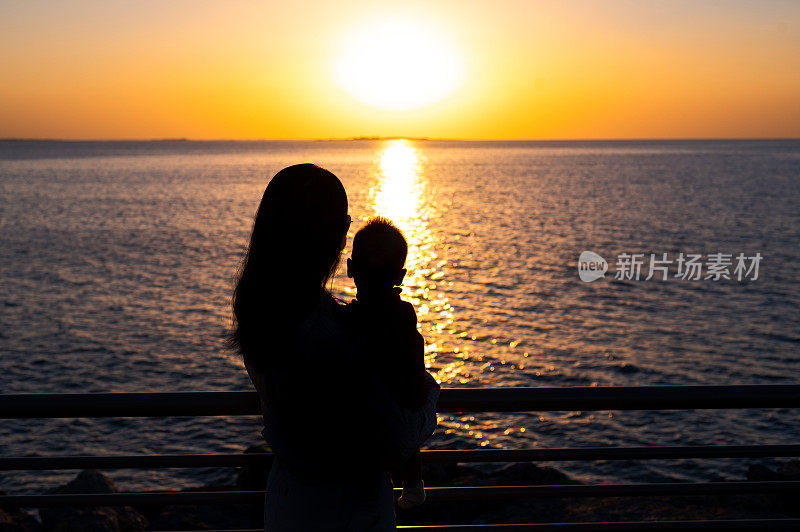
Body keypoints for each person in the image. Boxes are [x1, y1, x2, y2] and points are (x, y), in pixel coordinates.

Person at [230, 164, 439, 531]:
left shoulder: (265, 309)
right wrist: (430, 393)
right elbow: (397, 437)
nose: (345, 237)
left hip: (289, 500)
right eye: (343, 225)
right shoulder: (327, 335)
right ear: (325, 238)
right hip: (343, 509)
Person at [343, 217, 428, 510]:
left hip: (360, 428)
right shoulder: (404, 319)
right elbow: (415, 388)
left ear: (350, 269)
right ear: (401, 276)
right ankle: (414, 485)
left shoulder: (343, 322)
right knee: (410, 419)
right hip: (401, 408)